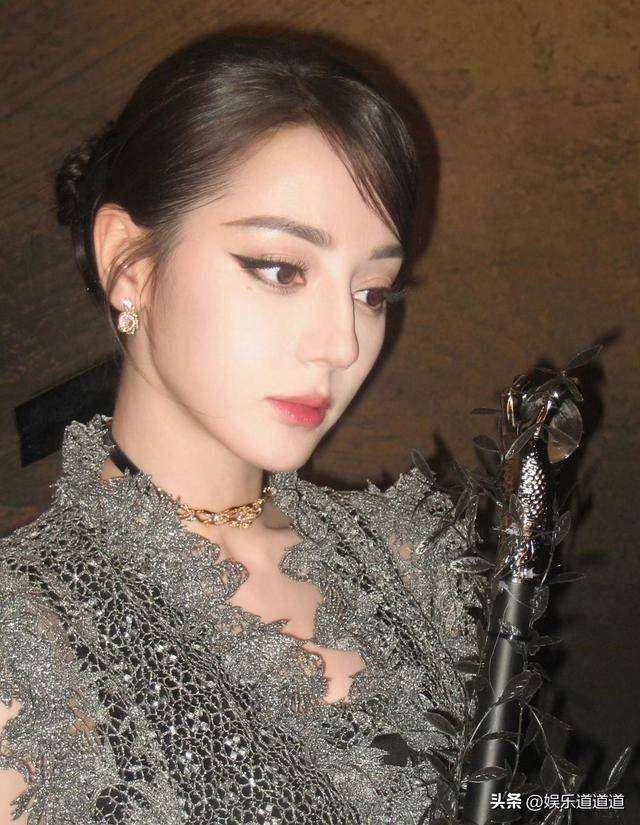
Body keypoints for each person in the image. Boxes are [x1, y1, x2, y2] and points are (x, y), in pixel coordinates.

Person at [0, 32, 484, 824]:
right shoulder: (23, 633)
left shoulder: (414, 565)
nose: (343, 343)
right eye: (281, 269)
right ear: (129, 261)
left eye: (373, 291)